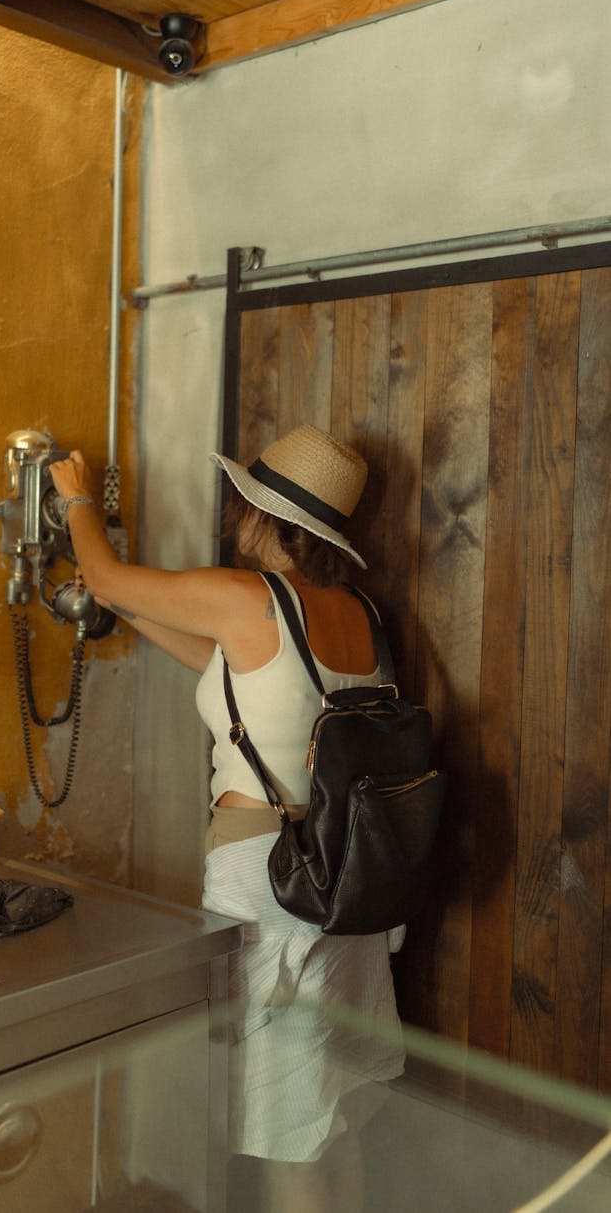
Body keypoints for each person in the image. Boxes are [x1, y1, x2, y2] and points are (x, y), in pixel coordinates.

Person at [50, 424, 405, 1210]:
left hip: (268, 882)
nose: (235, 516)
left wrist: (76, 498)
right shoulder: (356, 612)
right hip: (345, 881)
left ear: (266, 518)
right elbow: (248, 681)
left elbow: (104, 570)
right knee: (329, 1116)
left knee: (287, 1131)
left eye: (246, 502)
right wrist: (128, 614)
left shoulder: (247, 597)